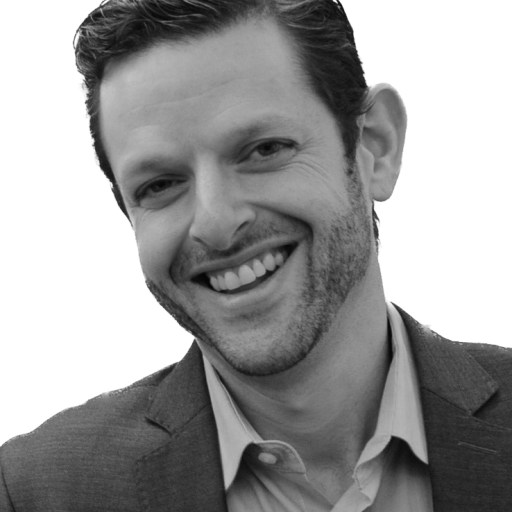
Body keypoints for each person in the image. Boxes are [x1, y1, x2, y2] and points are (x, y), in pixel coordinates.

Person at [1, 0, 511, 510]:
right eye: (160, 185)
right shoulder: (37, 493)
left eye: (264, 150)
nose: (217, 225)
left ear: (374, 146)